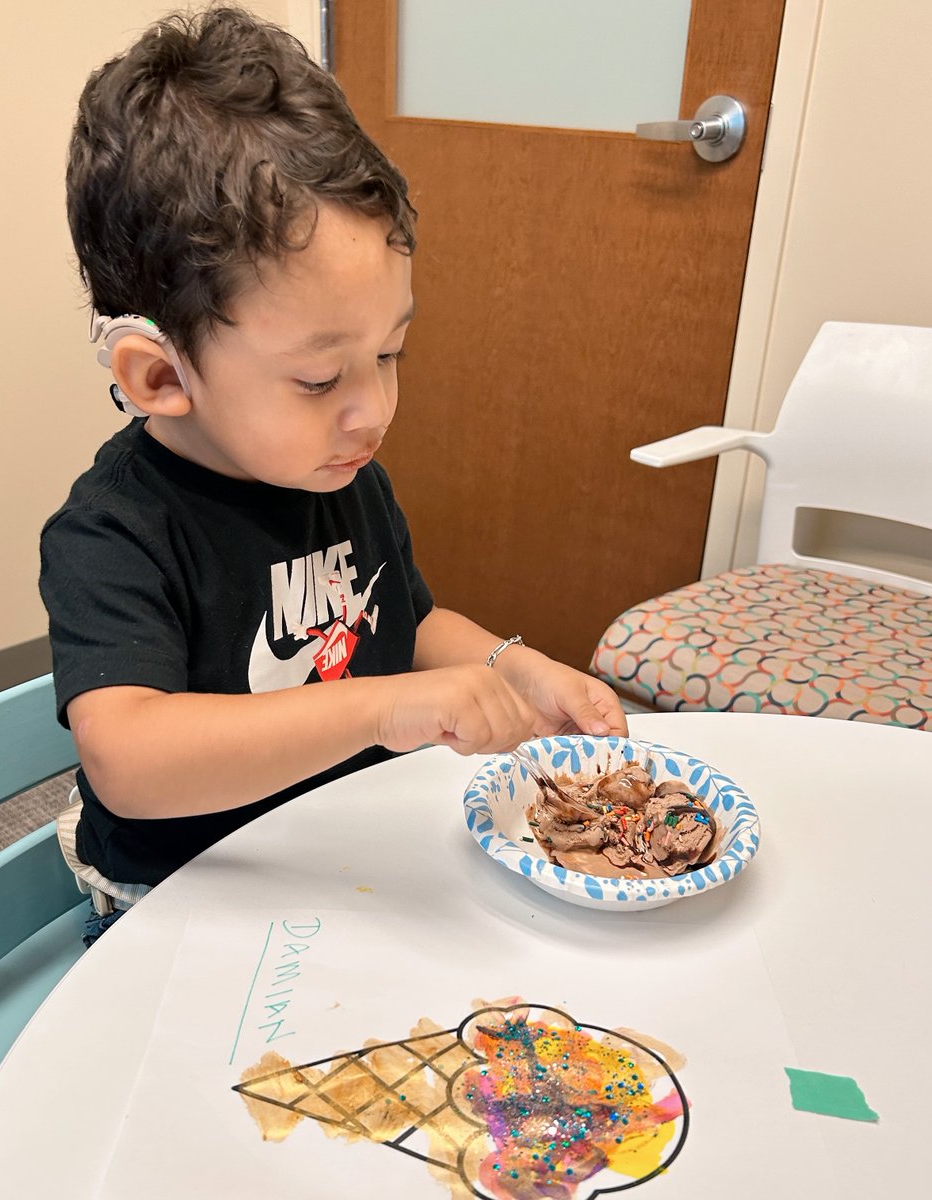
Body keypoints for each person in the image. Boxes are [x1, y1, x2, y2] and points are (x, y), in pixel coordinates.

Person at [40, 5, 627, 931]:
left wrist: (518, 668)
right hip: (187, 896)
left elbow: (411, 622)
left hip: (332, 848)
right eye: (319, 378)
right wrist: (378, 710)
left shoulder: (343, 474)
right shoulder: (114, 534)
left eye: (389, 353)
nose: (375, 411)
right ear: (160, 376)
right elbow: (132, 762)